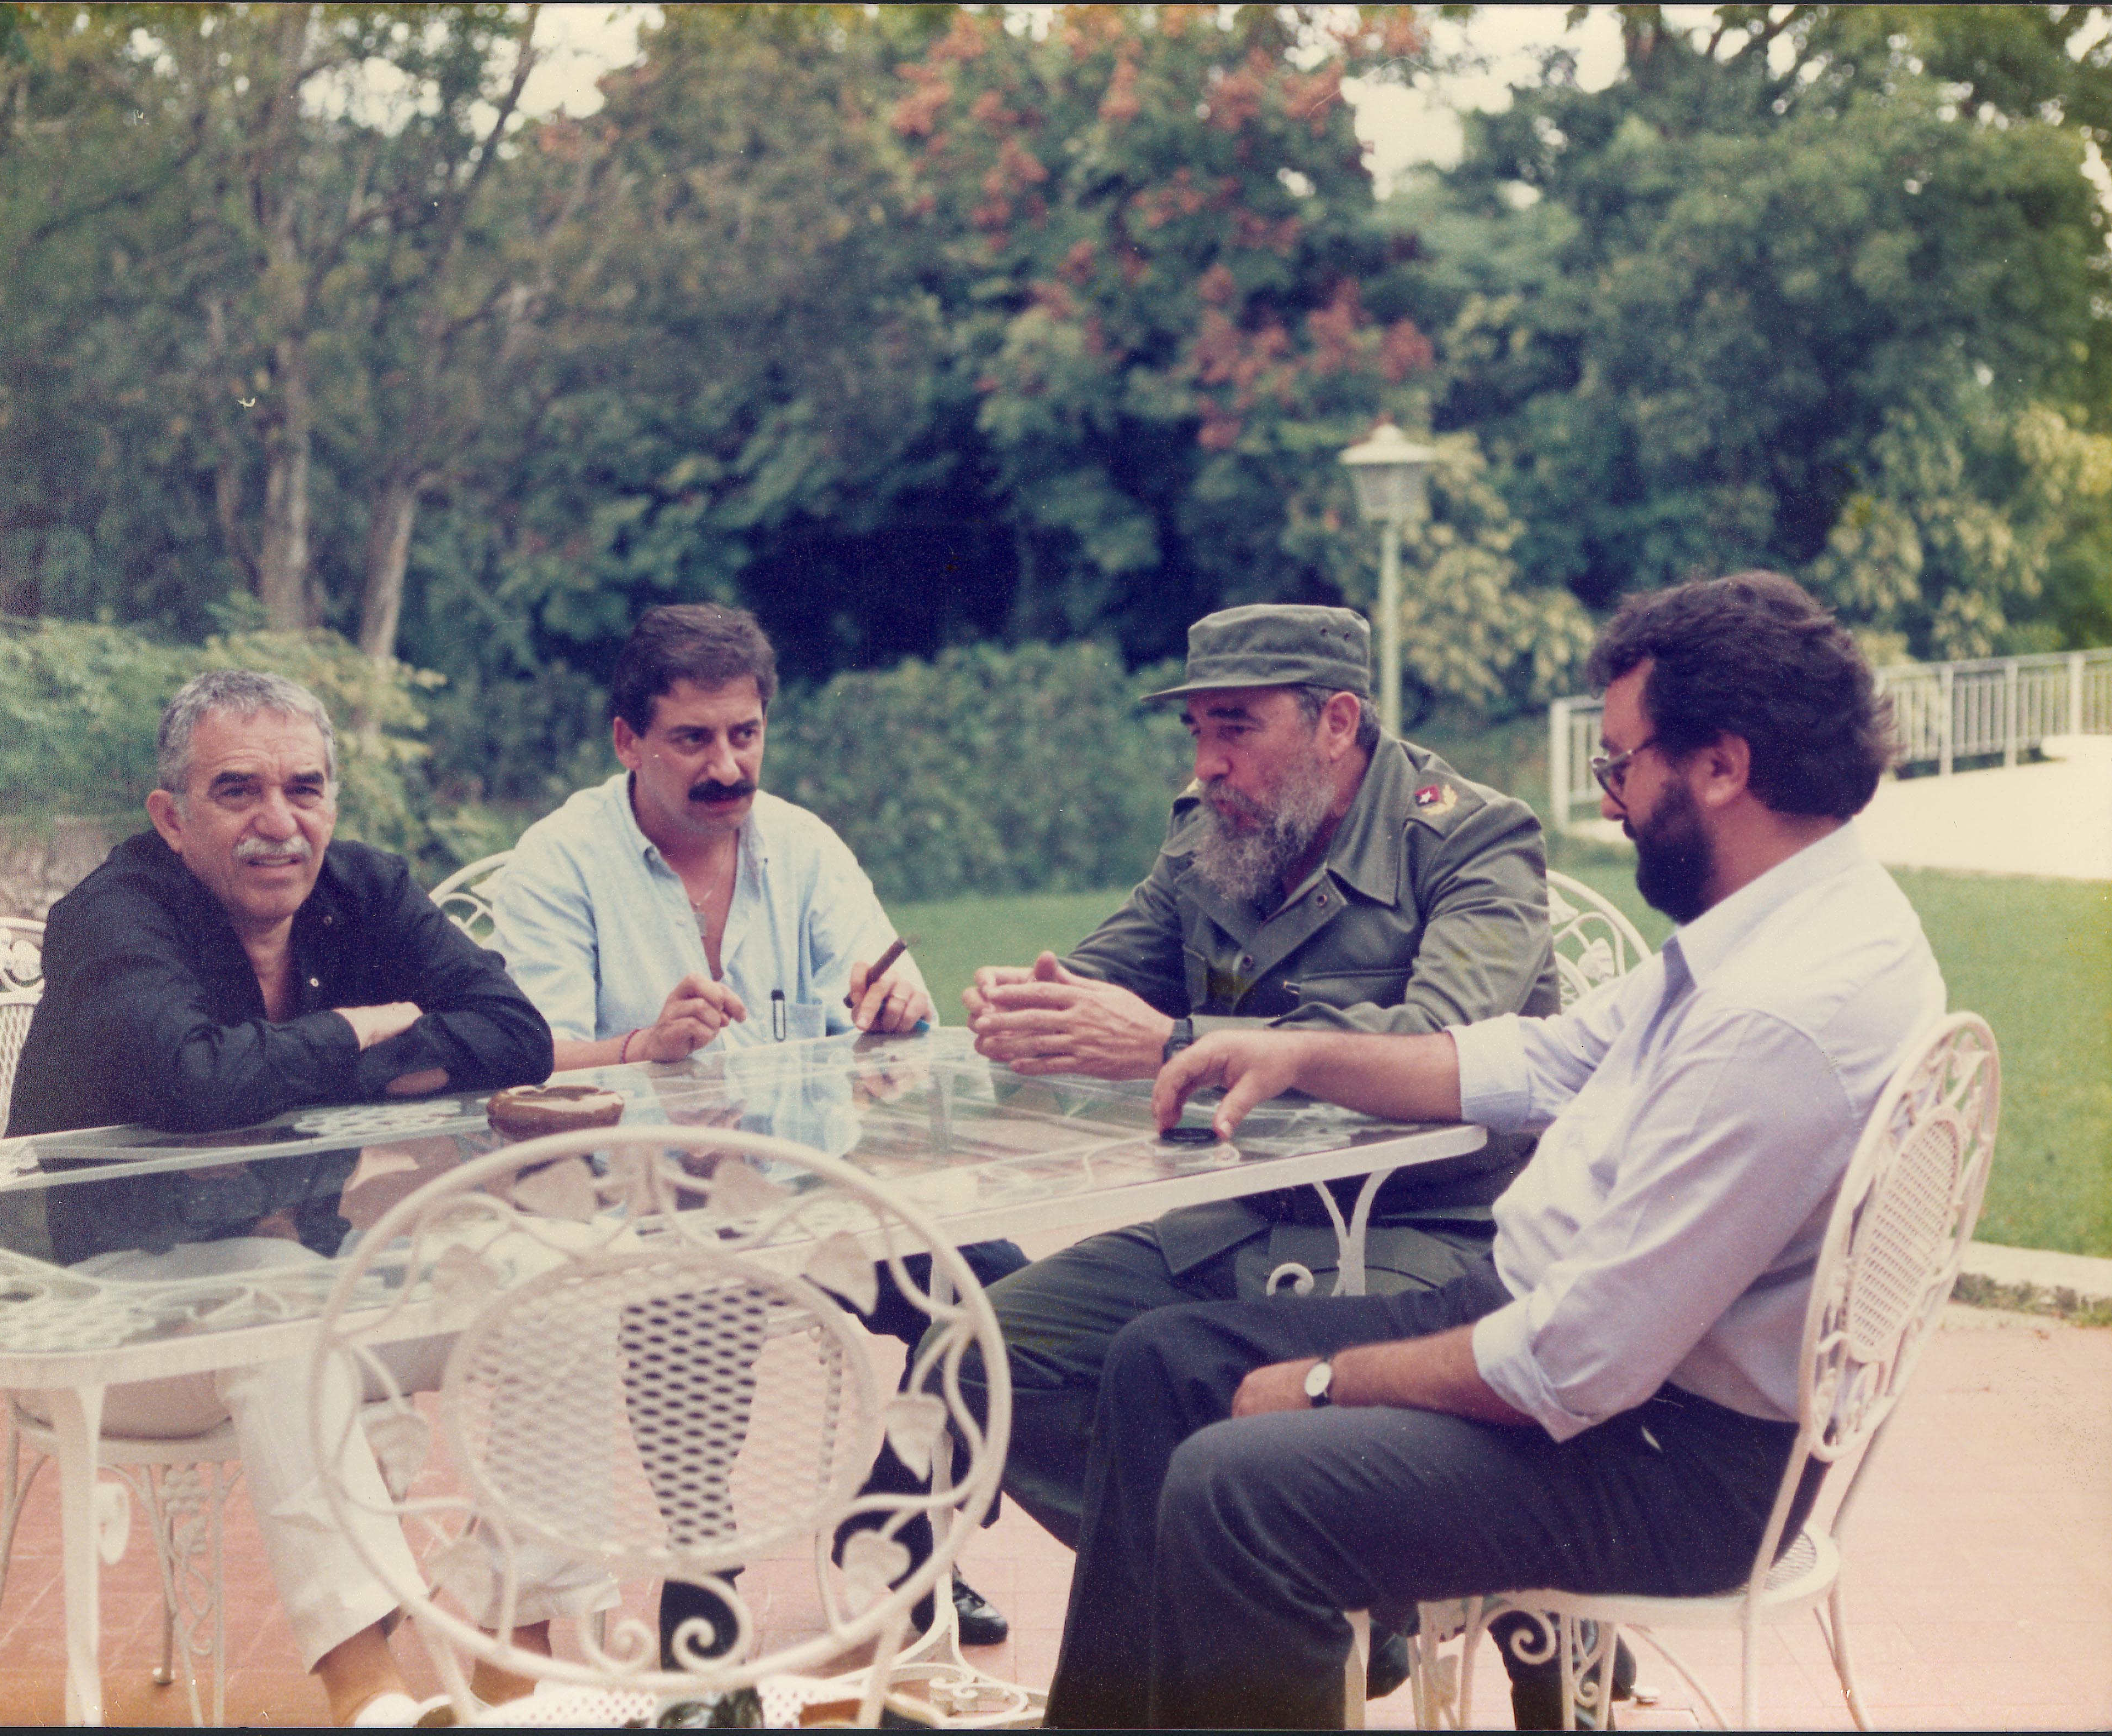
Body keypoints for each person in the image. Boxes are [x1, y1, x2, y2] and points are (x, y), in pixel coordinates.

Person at [1042, 570, 1942, 1728]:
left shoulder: (1777, 1019)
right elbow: (1542, 1060)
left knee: (1238, 1487)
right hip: (1578, 1351)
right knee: (1160, 1364)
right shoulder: (1786, 923)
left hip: (1672, 1461)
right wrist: (1297, 1051)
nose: (1608, 805)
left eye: (1620, 766)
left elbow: (1572, 1366)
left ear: (1722, 766)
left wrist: (1315, 1385)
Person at [9, 669, 584, 1727]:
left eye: (304, 789)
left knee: (547, 1290)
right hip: (105, 1314)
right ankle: (370, 1697)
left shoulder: (365, 889)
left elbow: (518, 1034)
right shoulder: (110, 915)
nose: (280, 824)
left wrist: (313, 1058)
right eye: (238, 792)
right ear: (171, 818)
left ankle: (517, 1661)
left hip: (312, 1267)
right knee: (285, 1319)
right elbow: (193, 1080)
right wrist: (356, 1034)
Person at [954, 604, 1555, 1552]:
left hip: (1425, 1229)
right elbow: (1101, 978)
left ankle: (1284, 1595)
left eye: (1236, 726)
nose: (1206, 762)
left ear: (1338, 722)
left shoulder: (1471, 841)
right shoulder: (1215, 830)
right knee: (977, 1356)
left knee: (1207, 1388)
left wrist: (1174, 1043)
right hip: (1238, 1212)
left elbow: (1444, 1041)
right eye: (1198, 729)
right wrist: (1027, 1003)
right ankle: (1248, 1589)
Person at [492, 602, 1027, 1650]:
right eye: (693, 739)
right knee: (693, 1297)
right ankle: (707, 1567)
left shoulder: (803, 847)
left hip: (811, 1191)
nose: (727, 765)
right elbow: (519, 1056)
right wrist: (644, 1047)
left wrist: (897, 1006)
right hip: (634, 1207)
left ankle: (904, 1521)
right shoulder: (556, 861)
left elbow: (883, 993)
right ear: (627, 741)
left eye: (745, 735)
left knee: (1004, 1296)